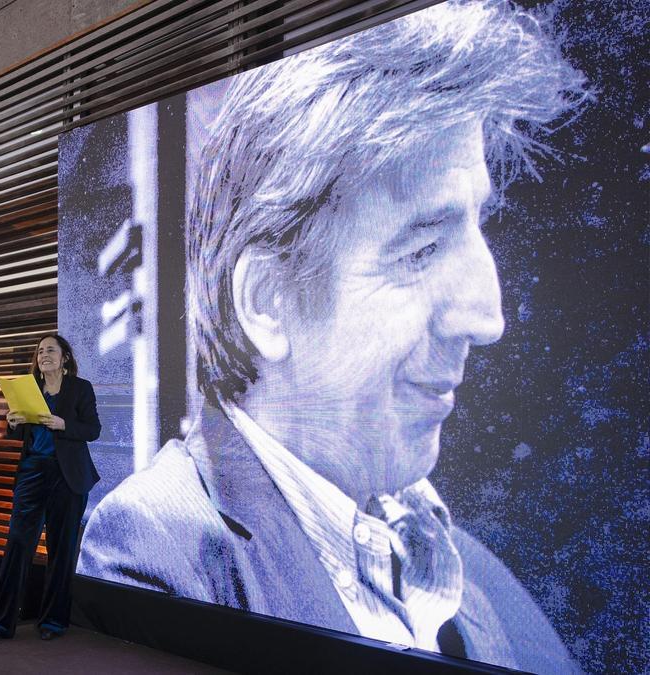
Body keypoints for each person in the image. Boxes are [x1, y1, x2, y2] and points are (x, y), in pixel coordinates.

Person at [77, 2, 584, 673]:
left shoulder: (484, 582)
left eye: (475, 226)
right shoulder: (158, 547)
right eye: (422, 249)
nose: (488, 316)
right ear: (267, 301)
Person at [0, 335, 100, 642]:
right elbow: (17, 432)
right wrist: (12, 422)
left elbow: (93, 429)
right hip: (32, 471)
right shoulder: (28, 388)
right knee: (18, 545)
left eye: (50, 350)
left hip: (67, 476)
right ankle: (1, 623)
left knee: (61, 550)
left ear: (65, 357)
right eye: (40, 351)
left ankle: (54, 621)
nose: (44, 355)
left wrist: (63, 425)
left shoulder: (80, 388)